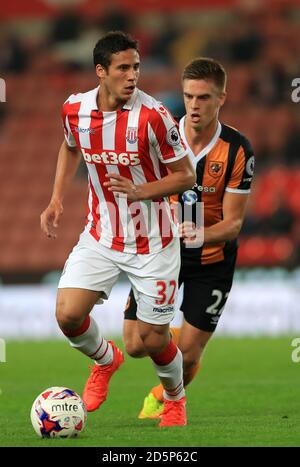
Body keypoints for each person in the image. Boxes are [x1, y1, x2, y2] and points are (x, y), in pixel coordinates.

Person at [40, 31, 196, 427]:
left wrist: (142, 190)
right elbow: (70, 146)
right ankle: (105, 361)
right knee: (67, 315)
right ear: (100, 71)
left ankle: (175, 400)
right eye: (123, 68)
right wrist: (56, 198)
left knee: (152, 339)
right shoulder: (74, 109)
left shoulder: (153, 116)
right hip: (102, 235)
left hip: (155, 242)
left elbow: (186, 176)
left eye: (136, 67)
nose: (132, 76)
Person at [123, 57, 255, 419]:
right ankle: (171, 332)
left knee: (191, 355)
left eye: (204, 98)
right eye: (189, 97)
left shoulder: (238, 150)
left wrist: (200, 234)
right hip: (163, 254)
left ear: (222, 98)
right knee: (134, 344)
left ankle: (164, 395)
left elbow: (233, 225)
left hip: (212, 260)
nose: (195, 106)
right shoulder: (163, 137)